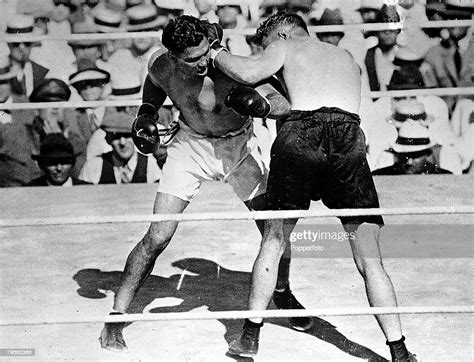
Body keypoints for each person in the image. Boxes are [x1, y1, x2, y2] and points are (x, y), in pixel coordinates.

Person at [98, 15, 312, 351]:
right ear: (172, 56)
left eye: (206, 53)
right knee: (157, 236)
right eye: (193, 59)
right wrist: (146, 111)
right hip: (189, 146)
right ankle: (116, 316)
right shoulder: (161, 66)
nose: (204, 63)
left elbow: (284, 102)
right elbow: (154, 84)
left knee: (276, 230)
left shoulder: (228, 67)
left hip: (238, 147)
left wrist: (262, 106)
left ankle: (282, 292)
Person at [213, 12, 417, 361]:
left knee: (274, 238)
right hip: (349, 136)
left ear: (281, 33)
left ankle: (249, 336)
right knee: (370, 257)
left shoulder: (286, 45)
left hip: (302, 134)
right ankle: (399, 351)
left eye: (267, 46)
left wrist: (214, 51)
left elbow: (247, 73)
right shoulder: (347, 57)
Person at [79, 111, 162, 184]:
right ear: (108, 140)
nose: (122, 142)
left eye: (127, 136)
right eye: (116, 137)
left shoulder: (150, 165)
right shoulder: (94, 166)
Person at [372, 121, 452, 175]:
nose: (409, 162)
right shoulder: (380, 176)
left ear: (427, 154)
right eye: (404, 156)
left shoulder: (445, 177)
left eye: (415, 156)